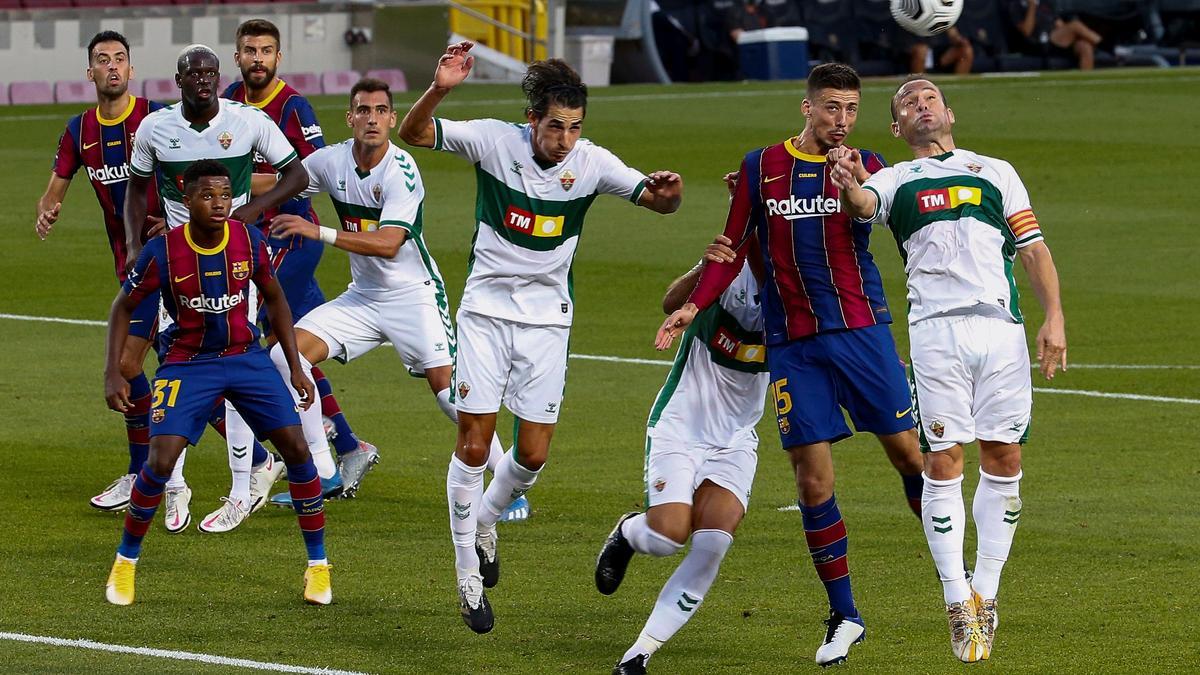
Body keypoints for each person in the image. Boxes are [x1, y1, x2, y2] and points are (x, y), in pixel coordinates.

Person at [398, 41, 683, 634]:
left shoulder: (593, 163)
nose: (565, 139)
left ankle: (485, 520)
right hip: (484, 314)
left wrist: (670, 189)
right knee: (475, 446)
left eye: (575, 128)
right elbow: (415, 132)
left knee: (531, 455)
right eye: (556, 126)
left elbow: (660, 203)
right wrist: (442, 86)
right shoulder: (493, 141)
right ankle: (466, 578)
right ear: (533, 119)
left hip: (549, 321)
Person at [654, 63, 925, 666]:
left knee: (908, 455)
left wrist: (854, 182)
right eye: (832, 108)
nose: (842, 121)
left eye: (851, 110)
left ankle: (955, 573)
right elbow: (730, 251)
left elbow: (868, 209)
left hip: (861, 330)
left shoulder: (868, 164)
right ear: (806, 108)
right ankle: (845, 615)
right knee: (812, 479)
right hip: (794, 345)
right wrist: (690, 308)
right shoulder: (760, 167)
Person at [829, 77, 1066, 662]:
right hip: (937, 332)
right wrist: (849, 181)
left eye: (929, 97)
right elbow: (863, 205)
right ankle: (956, 599)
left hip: (1002, 329)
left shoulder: (995, 171)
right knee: (942, 460)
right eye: (908, 102)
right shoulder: (894, 180)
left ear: (949, 112)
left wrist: (1053, 316)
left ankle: (986, 591)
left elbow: (1032, 248)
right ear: (896, 127)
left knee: (1004, 458)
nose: (921, 104)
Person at [261, 78, 503, 509]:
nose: (372, 118)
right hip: (363, 298)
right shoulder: (331, 161)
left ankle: (505, 483)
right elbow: (286, 181)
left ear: (392, 119)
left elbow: (389, 243)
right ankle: (323, 472)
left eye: (380, 110)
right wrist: (221, 183)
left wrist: (317, 231)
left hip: (414, 297)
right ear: (350, 117)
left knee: (451, 393)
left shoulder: (402, 170)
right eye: (363, 110)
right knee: (283, 355)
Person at [102, 159, 331, 607]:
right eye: (207, 196)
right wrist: (112, 370)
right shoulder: (163, 252)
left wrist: (297, 368)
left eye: (225, 195)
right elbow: (122, 307)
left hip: (245, 358)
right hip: (187, 363)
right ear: (186, 200)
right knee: (161, 461)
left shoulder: (249, 239)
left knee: (298, 451)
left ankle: (318, 568)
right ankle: (125, 563)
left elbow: (276, 299)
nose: (219, 204)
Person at [123, 44, 314, 533]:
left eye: (210, 72)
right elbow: (136, 188)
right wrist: (131, 243)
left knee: (234, 376)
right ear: (178, 80)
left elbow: (298, 173)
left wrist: (253, 211)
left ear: (217, 76)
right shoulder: (155, 128)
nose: (204, 80)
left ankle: (239, 490)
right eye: (194, 73)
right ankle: (176, 488)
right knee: (172, 369)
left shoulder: (247, 120)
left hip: (235, 265)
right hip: (178, 266)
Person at [211, 20, 375, 529]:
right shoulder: (229, 99)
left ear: (278, 57)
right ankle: (346, 446)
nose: (257, 59)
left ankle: (285, 462)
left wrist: (243, 185)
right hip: (249, 238)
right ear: (236, 56)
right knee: (294, 346)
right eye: (248, 51)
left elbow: (310, 170)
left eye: (265, 51)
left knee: (253, 345)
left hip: (291, 237)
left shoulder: (294, 107)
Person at [596, 237, 767, 675]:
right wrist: (702, 269)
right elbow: (671, 300)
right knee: (669, 536)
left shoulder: (801, 284)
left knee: (711, 544)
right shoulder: (731, 267)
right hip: (682, 424)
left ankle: (638, 654)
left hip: (736, 438)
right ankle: (629, 533)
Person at [35, 31, 167, 514]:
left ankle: (148, 472)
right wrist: (48, 209)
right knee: (177, 367)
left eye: (119, 59)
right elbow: (55, 187)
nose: (112, 66)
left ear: (132, 69)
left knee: (137, 365)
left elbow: (196, 176)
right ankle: (256, 459)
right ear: (89, 72)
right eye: (102, 60)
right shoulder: (79, 130)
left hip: (173, 261)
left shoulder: (155, 118)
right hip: (129, 266)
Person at [1007, 0, 1102, 70]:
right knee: (1075, 25)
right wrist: (1032, 6)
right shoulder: (1016, 5)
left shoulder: (1045, 3)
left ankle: (1084, 84)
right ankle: (1107, 46)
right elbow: (1026, 32)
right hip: (1038, 44)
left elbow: (1058, 23)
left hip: (1057, 41)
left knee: (1084, 46)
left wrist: (1070, 37)